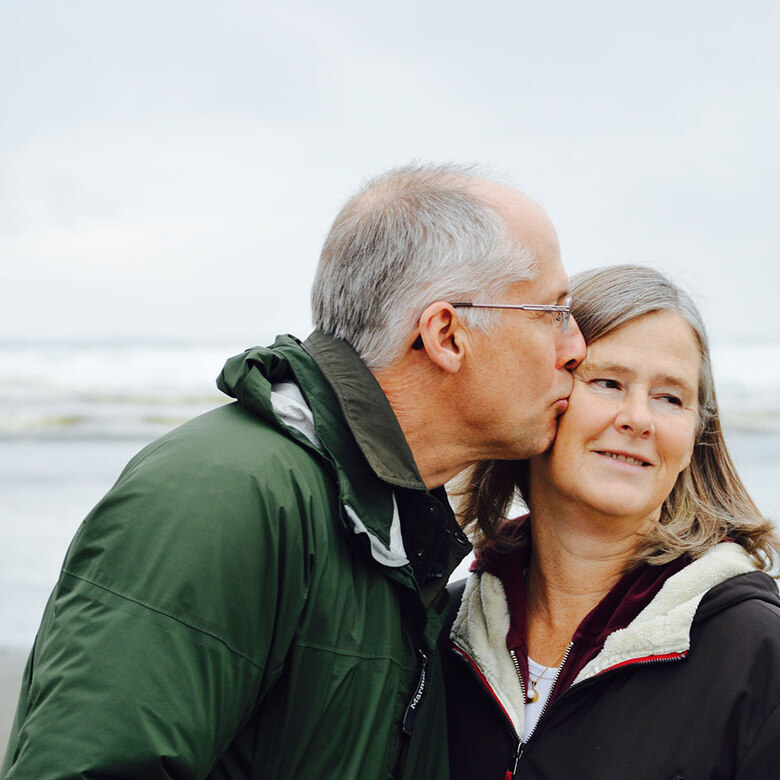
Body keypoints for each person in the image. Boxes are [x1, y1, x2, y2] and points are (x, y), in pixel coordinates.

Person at [1, 164, 586, 779]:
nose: (574, 347)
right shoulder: (222, 496)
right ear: (446, 334)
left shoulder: (387, 522)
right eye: (552, 312)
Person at [443, 264, 780, 779]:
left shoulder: (759, 653)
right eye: (607, 382)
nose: (639, 418)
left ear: (694, 438)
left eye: (670, 397)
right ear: (542, 397)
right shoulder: (443, 627)